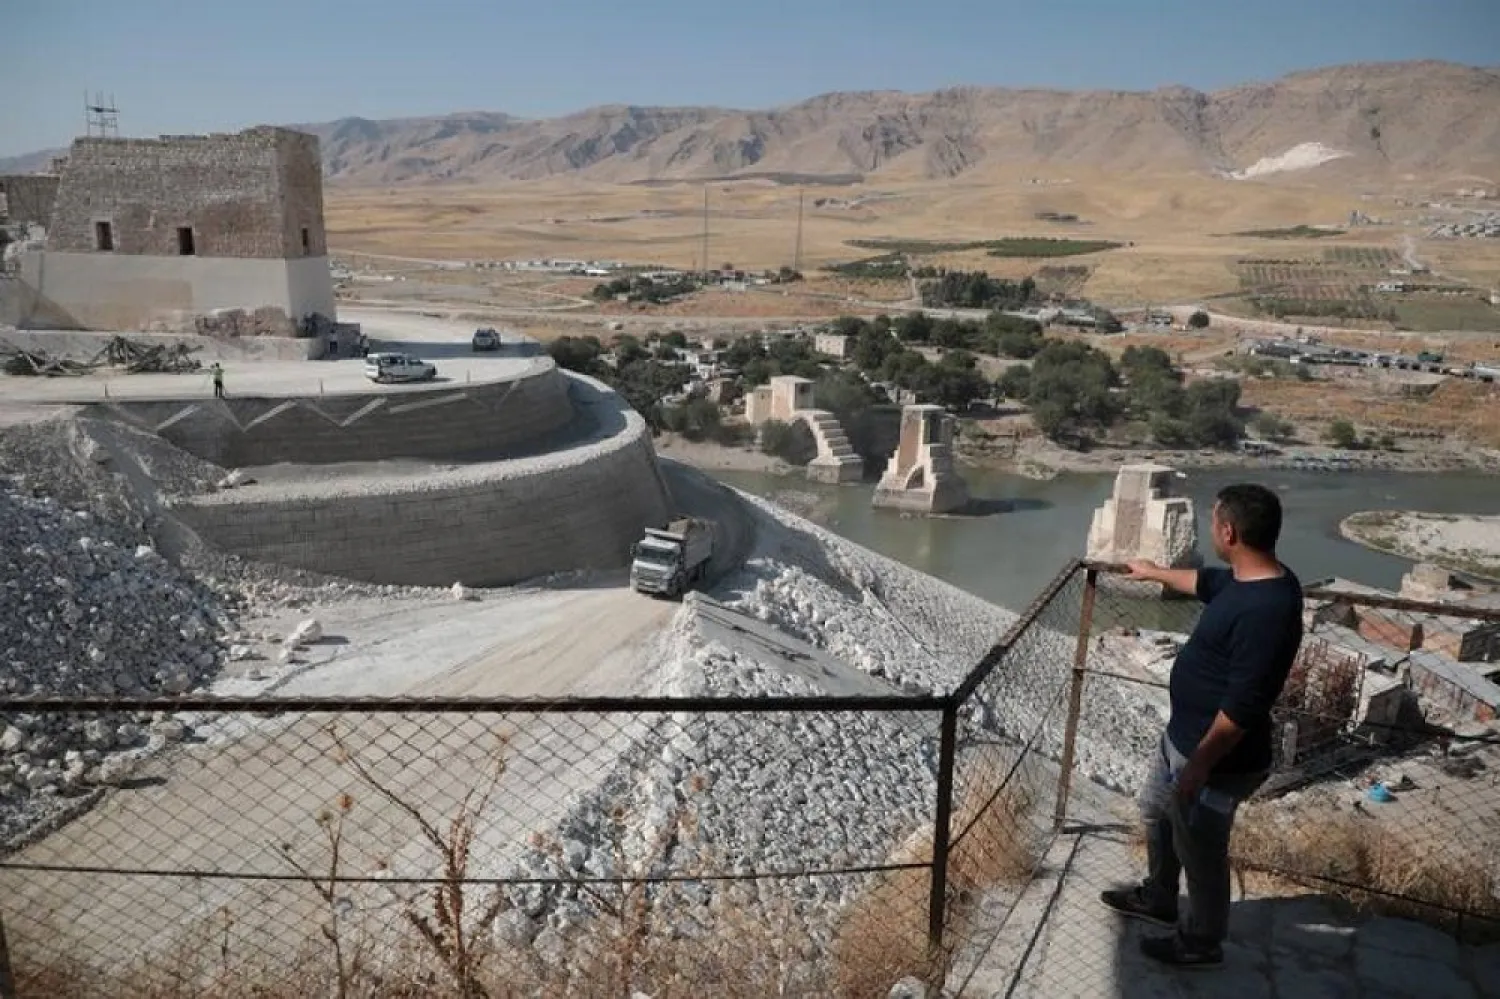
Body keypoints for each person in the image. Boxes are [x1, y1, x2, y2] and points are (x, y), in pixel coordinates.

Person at [1100, 483, 1303, 969]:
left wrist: (1199, 766)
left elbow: (1243, 707)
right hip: (1182, 739)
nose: (1210, 530)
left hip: (1216, 760)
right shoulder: (1246, 579)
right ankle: (1159, 898)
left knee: (1202, 850)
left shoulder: (1267, 611)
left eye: (1213, 522)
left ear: (1228, 532)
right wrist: (1153, 572)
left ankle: (1201, 941)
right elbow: (1203, 582)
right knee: (1156, 811)